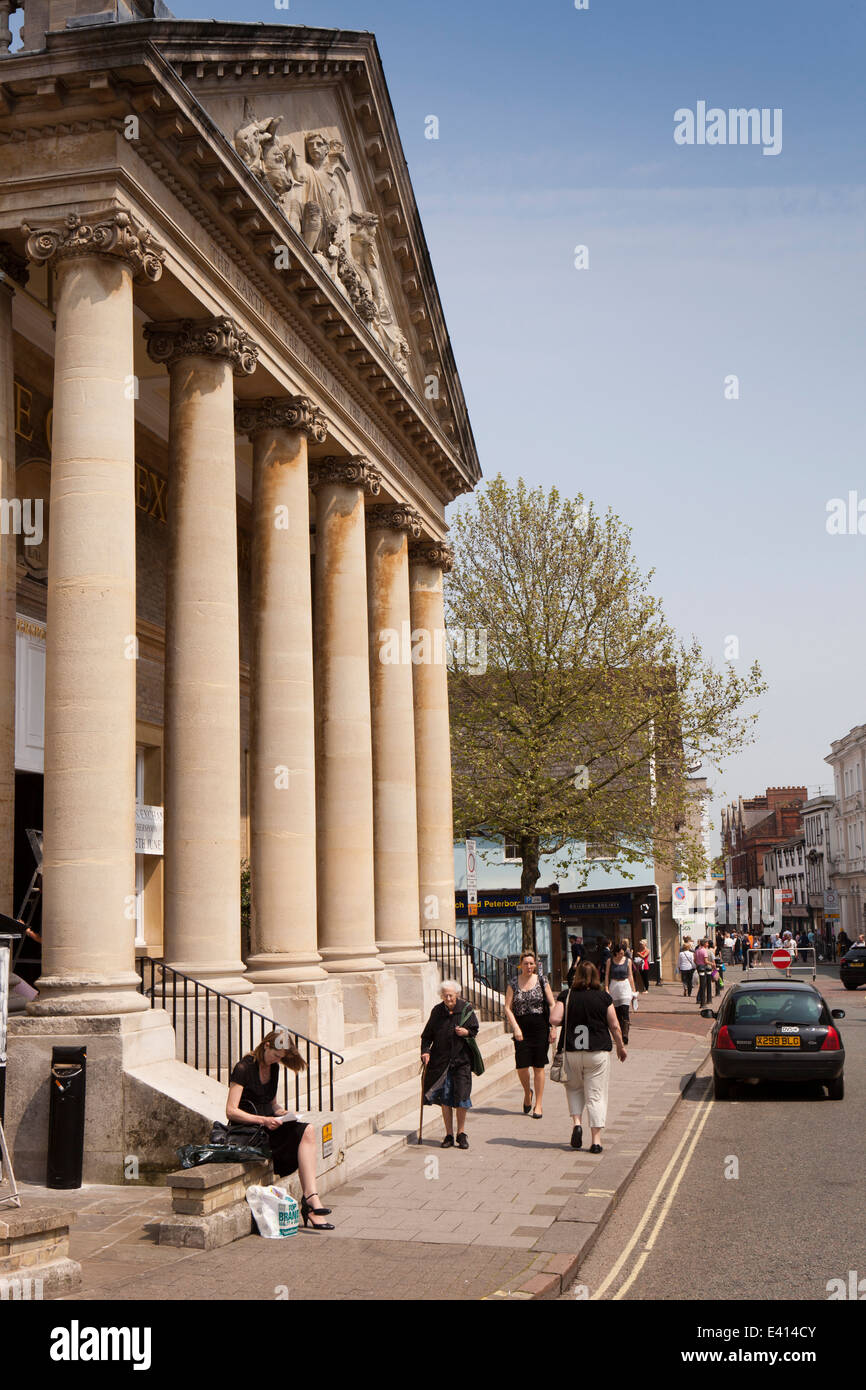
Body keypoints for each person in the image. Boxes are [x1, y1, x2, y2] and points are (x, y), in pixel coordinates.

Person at [227, 1030, 334, 1230]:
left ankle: (311, 1198)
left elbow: (272, 1104)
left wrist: (283, 1113)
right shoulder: (243, 1068)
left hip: (268, 1125)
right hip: (248, 1130)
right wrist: (263, 1119)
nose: (277, 1060)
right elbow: (231, 1111)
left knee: (307, 1130)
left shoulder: (274, 1068)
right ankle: (311, 1204)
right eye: (276, 1055)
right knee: (302, 1134)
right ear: (266, 1045)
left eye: (281, 1058)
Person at [550, 961, 627, 1155]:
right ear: (595, 977)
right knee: (596, 1096)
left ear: (576, 977)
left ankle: (577, 1123)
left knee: (574, 1089)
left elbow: (554, 1019)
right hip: (597, 1053)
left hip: (572, 1053)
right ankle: (596, 1141)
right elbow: (615, 1025)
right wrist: (620, 1046)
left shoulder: (567, 995)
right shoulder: (603, 997)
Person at [420, 980, 480, 1149]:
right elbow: (427, 1036)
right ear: (441, 996)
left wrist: (466, 1032)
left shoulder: (466, 1009)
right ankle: (448, 1134)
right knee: (445, 1099)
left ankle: (461, 1133)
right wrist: (425, 1051)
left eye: (451, 995)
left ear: (457, 995)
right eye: (445, 995)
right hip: (442, 1062)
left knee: (461, 1098)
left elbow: (474, 1029)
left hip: (462, 1062)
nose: (448, 998)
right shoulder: (437, 1011)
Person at [504, 949, 558, 1118]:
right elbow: (507, 1007)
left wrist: (553, 1026)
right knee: (521, 1066)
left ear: (535, 965)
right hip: (521, 1027)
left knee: (539, 1066)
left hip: (540, 1027)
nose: (529, 966)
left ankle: (539, 1104)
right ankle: (528, 1092)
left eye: (531, 963)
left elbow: (551, 1004)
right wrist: (515, 1027)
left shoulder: (542, 980)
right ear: (521, 965)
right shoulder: (513, 982)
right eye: (526, 963)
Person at [605, 940, 637, 1044]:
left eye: (622, 953)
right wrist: (606, 987)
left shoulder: (628, 961)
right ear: (615, 952)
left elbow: (630, 975)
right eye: (619, 953)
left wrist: (633, 990)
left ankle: (625, 1034)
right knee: (617, 1012)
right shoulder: (610, 961)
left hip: (625, 986)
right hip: (614, 986)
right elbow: (606, 975)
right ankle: (618, 1034)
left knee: (625, 1010)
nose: (620, 955)